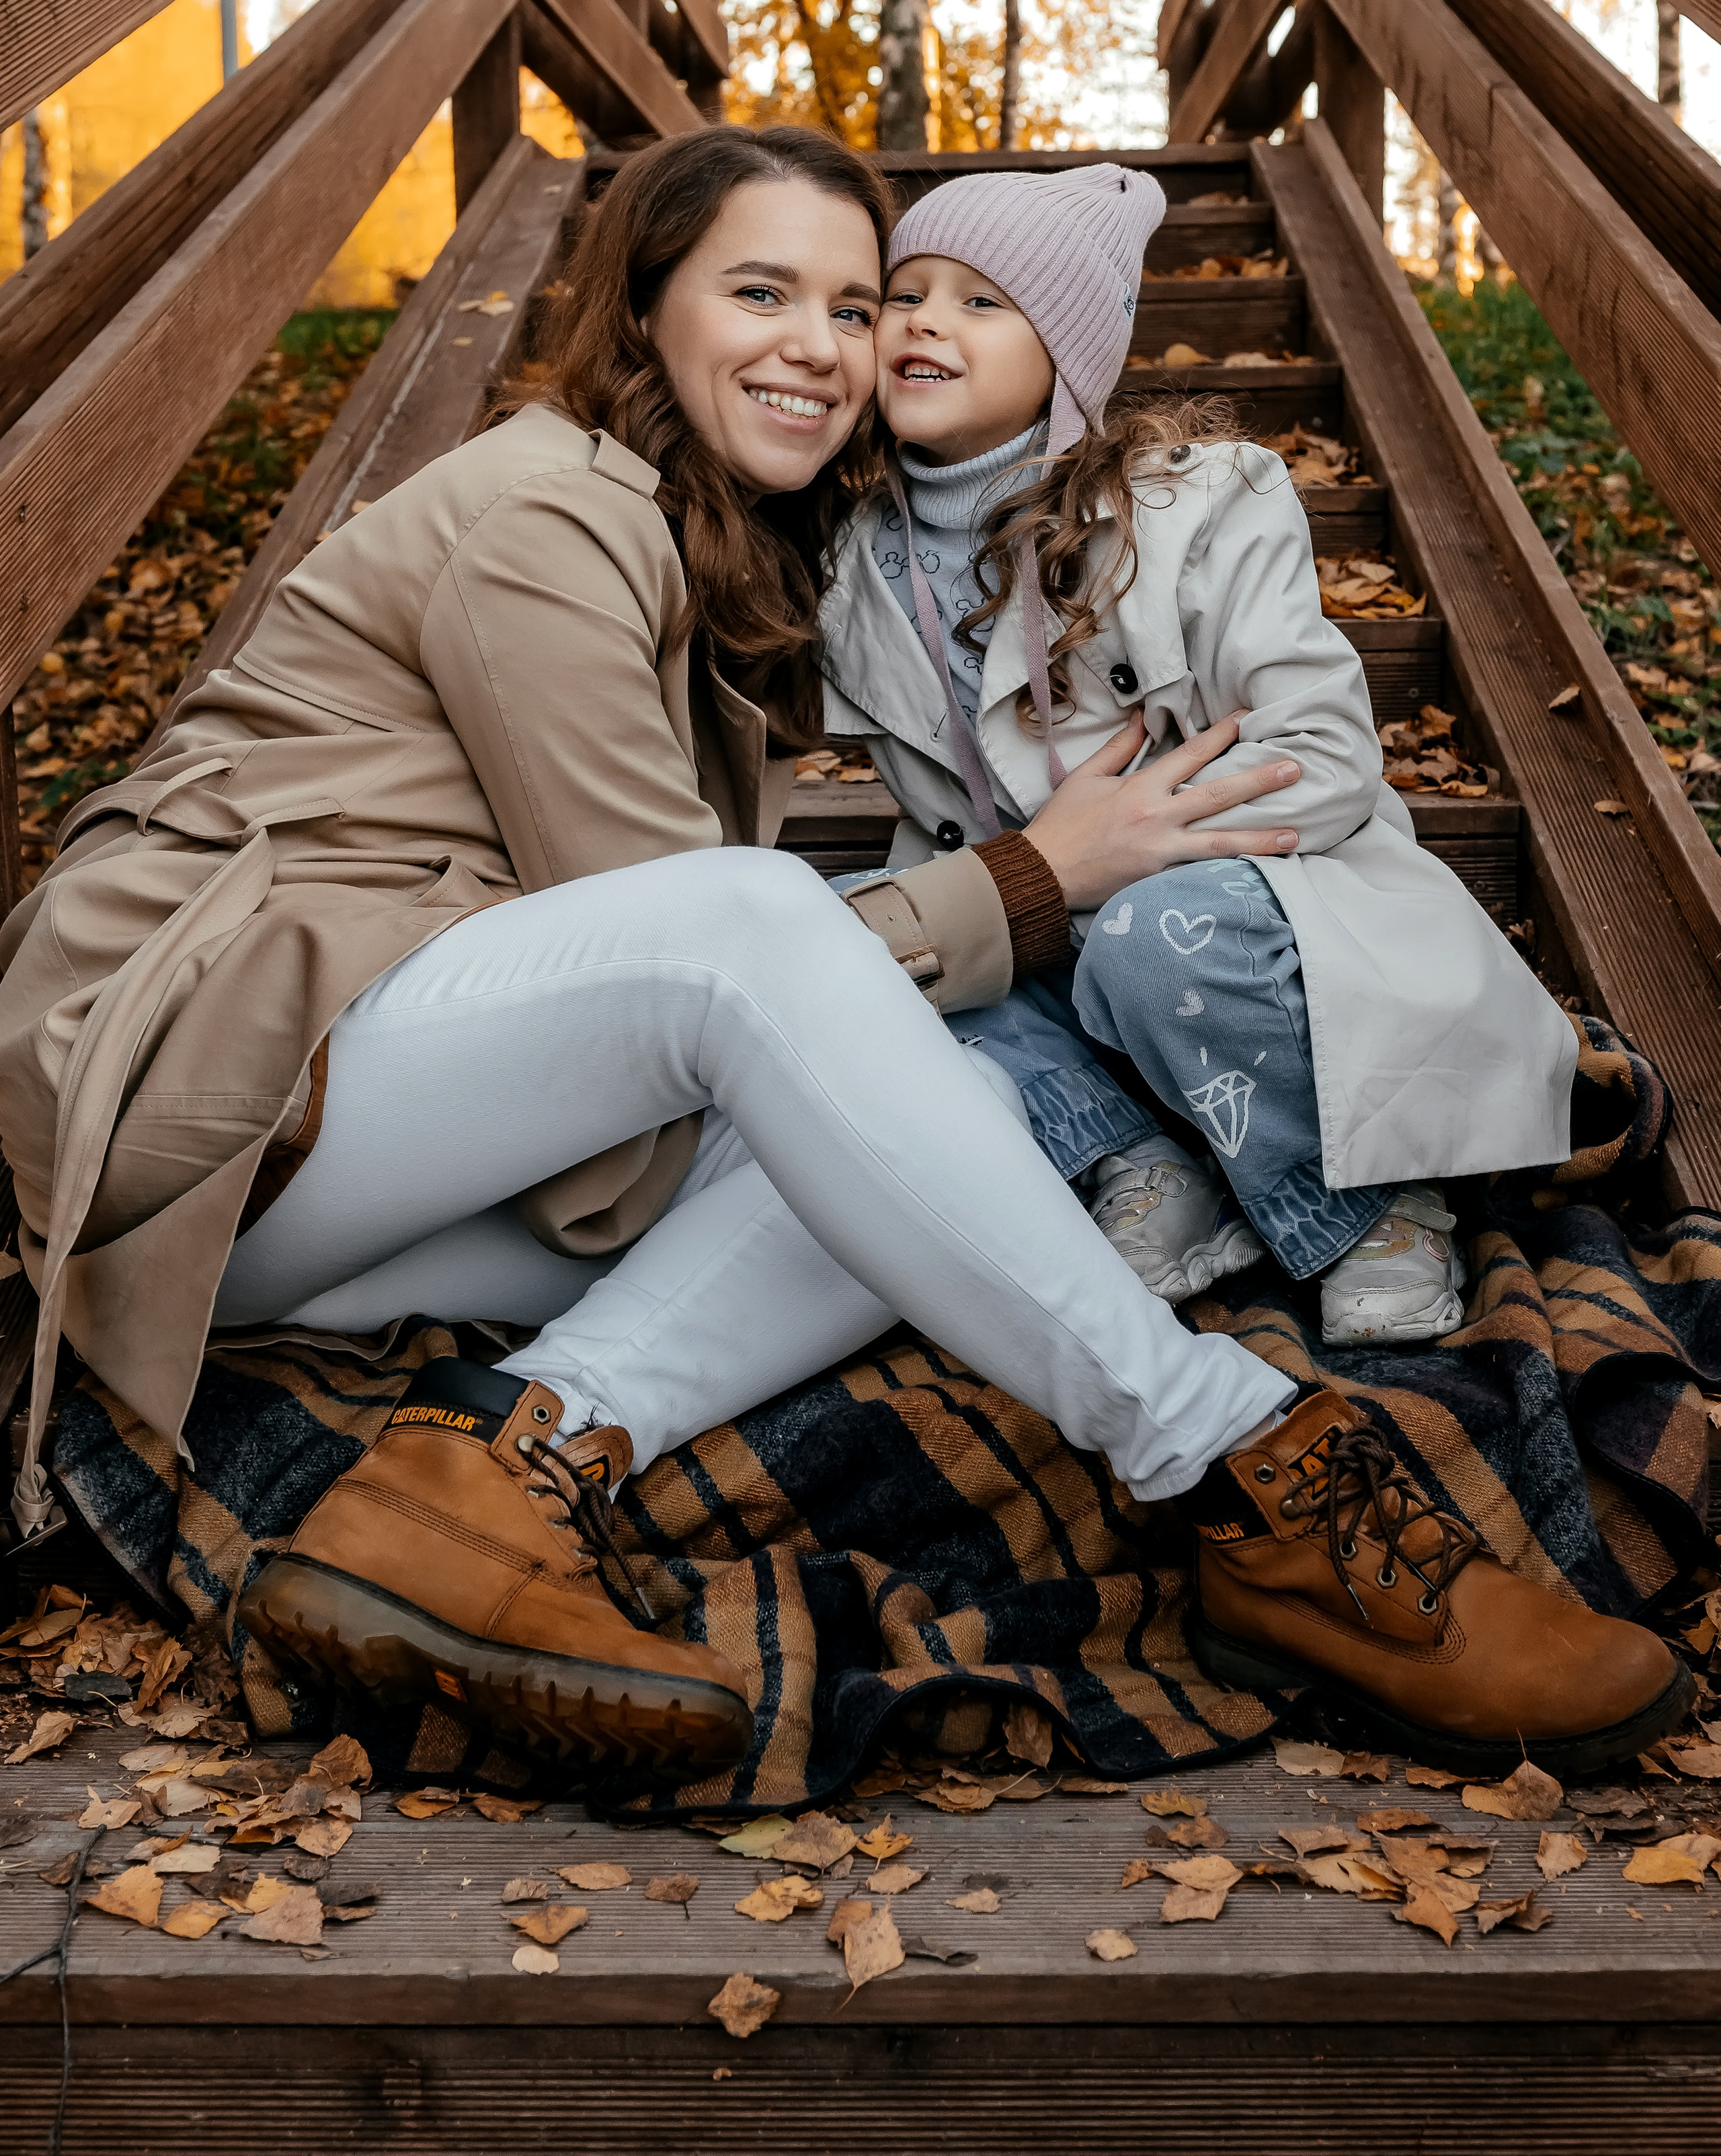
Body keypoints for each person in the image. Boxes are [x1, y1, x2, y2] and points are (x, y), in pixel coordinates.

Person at [0, 130, 1683, 1788]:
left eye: (854, 305)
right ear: (642, 306)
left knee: (921, 1125)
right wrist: (1039, 876)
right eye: (759, 293)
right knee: (756, 924)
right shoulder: (541, 516)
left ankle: (488, 1479)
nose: (820, 344)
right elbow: (688, 930)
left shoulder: (715, 543)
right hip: (207, 1086)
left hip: (373, 1155)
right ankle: (1227, 1456)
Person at [820, 163, 1581, 1349]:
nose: (924, 321)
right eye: (903, 295)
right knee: (860, 935)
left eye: (980, 302)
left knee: (1146, 934)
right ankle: (1142, 1157)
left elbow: (1323, 750)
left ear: (1067, 357)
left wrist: (1137, 851)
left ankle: (1361, 1203)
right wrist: (1028, 882)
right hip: (1035, 921)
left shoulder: (1196, 504)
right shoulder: (852, 555)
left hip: (1231, 902)